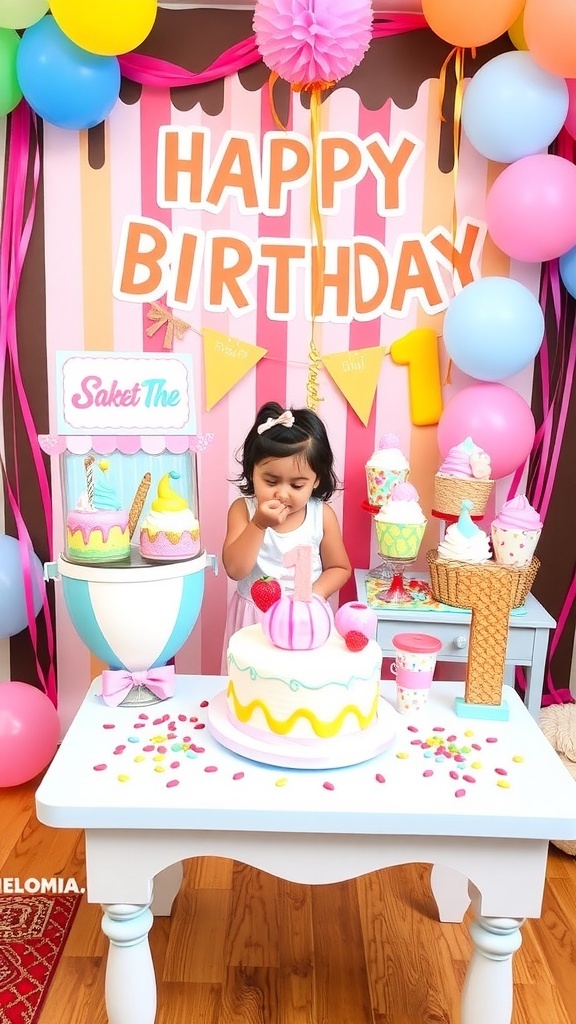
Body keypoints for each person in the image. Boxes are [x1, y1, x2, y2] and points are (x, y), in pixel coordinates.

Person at [221, 401, 351, 662]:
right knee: (255, 688)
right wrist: (258, 524)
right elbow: (235, 570)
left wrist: (314, 594)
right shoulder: (243, 510)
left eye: (297, 484)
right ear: (252, 472)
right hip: (254, 619)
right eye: (270, 481)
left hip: (305, 619)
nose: (282, 492)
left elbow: (340, 568)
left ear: (315, 480)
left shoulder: (321, 516)